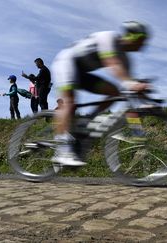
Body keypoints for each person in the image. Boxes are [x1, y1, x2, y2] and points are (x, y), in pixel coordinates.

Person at [51, 21, 149, 166]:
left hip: (81, 72)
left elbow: (130, 88)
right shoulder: (109, 38)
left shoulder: (126, 60)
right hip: (65, 62)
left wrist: (146, 99)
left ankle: (88, 119)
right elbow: (112, 62)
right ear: (132, 36)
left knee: (114, 92)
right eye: (142, 40)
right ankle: (62, 151)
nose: (143, 45)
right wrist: (131, 84)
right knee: (70, 103)